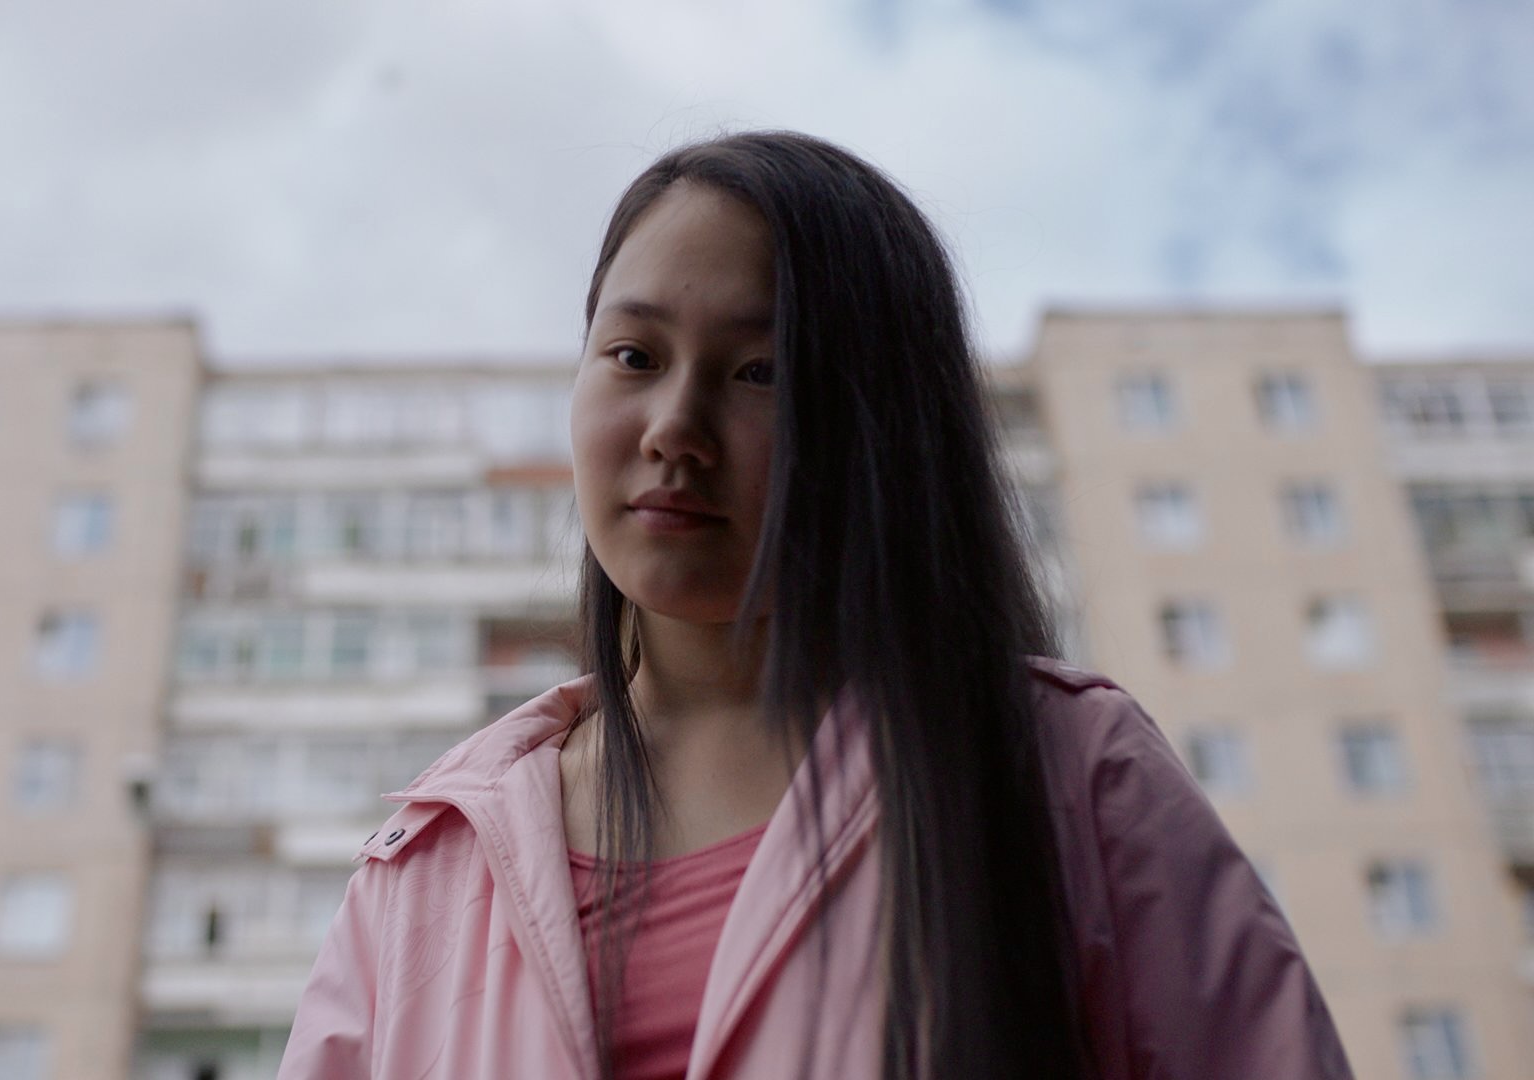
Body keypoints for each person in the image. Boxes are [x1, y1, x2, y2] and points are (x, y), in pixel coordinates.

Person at [277, 132, 1354, 1080]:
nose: (674, 427)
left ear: (882, 426)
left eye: (760, 372)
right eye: (634, 356)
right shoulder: (431, 860)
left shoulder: (1064, 772)